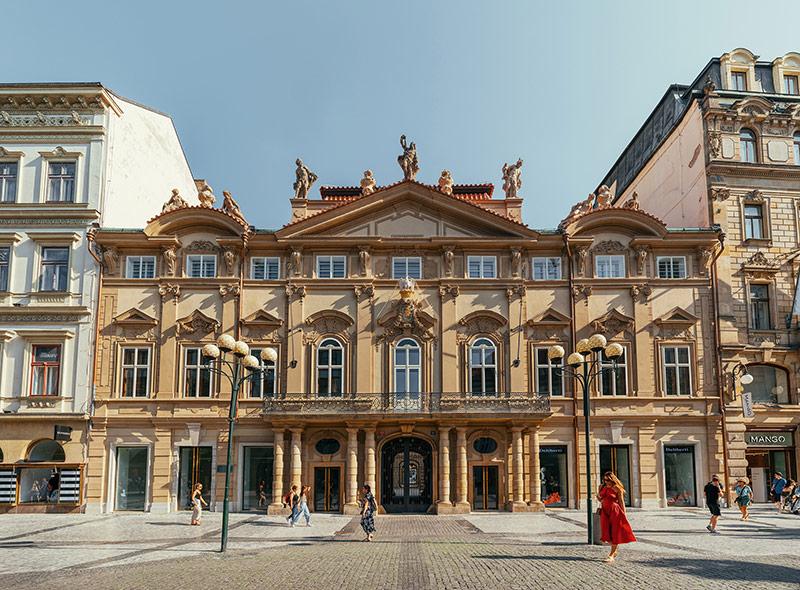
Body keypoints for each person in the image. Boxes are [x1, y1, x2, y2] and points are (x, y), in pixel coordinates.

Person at [598, 471, 636, 562]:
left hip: (615, 511)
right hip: (604, 511)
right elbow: (600, 498)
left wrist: (624, 514)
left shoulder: (617, 488)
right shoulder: (601, 487)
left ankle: (611, 554)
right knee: (606, 531)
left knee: (615, 532)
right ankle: (614, 550)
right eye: (605, 480)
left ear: (612, 479)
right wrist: (599, 499)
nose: (606, 482)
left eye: (608, 480)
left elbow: (621, 501)